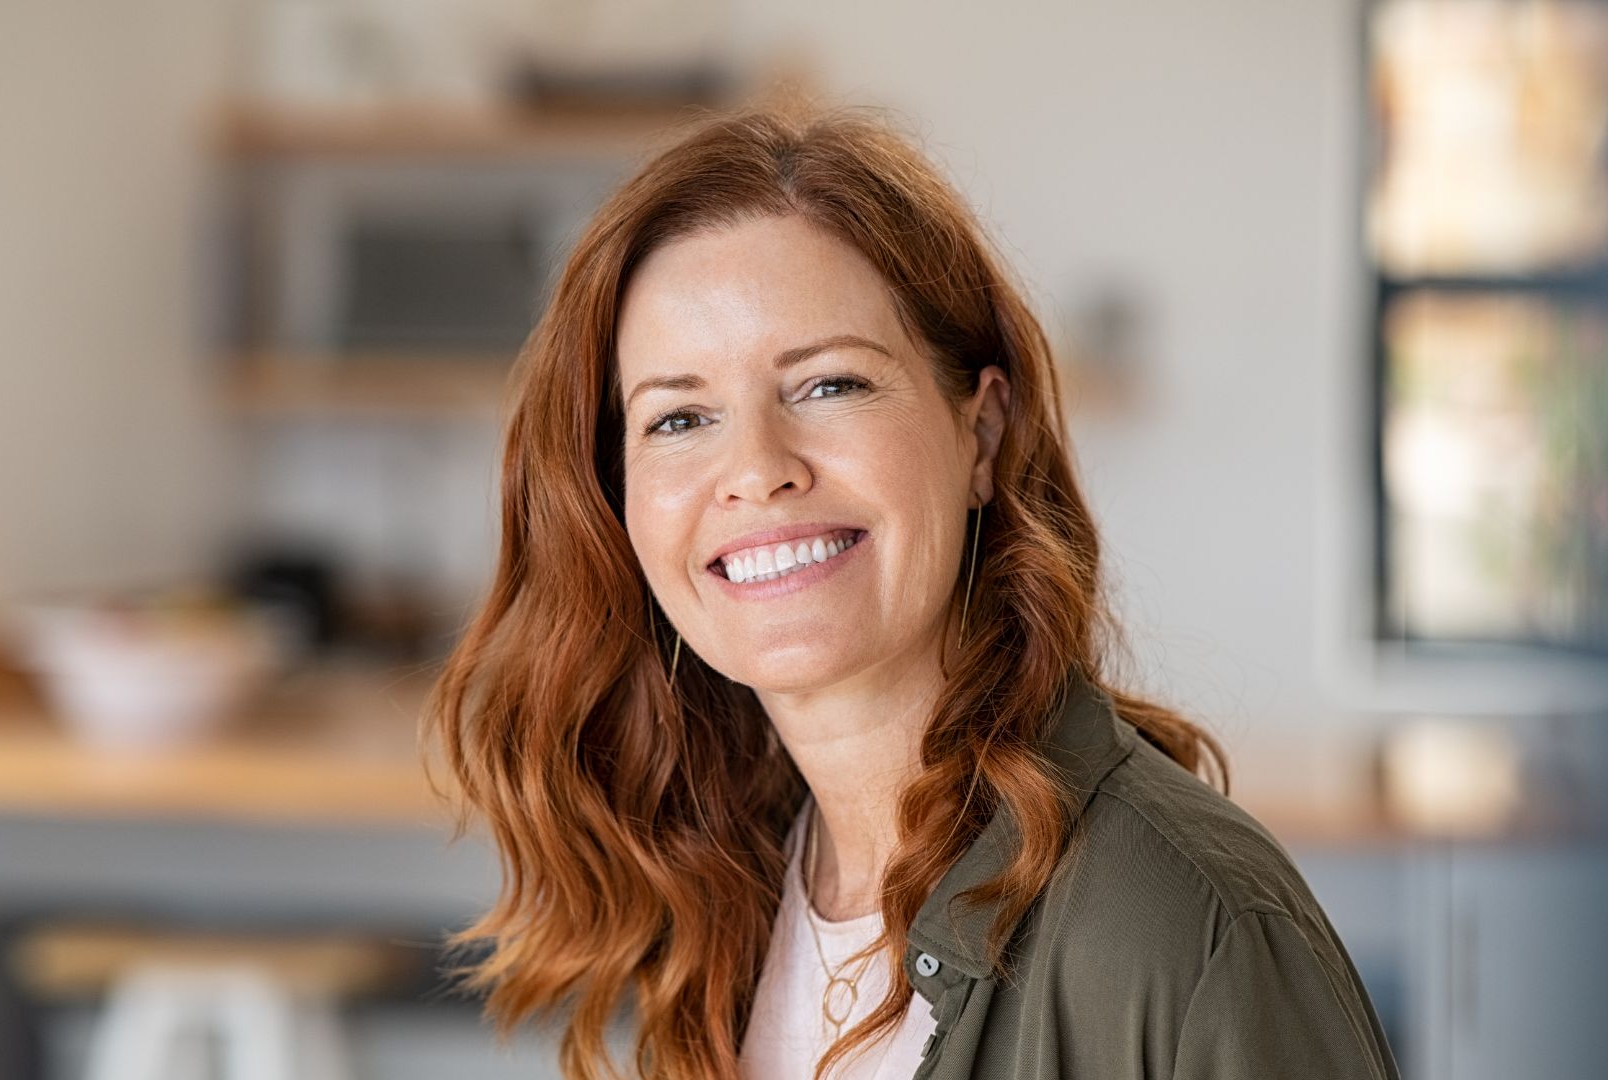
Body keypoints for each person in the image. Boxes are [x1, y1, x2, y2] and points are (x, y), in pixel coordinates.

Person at [422, 100, 1402, 1080]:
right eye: (679, 419)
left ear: (980, 433)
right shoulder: (724, 886)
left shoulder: (1187, 932)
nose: (757, 469)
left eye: (830, 386)